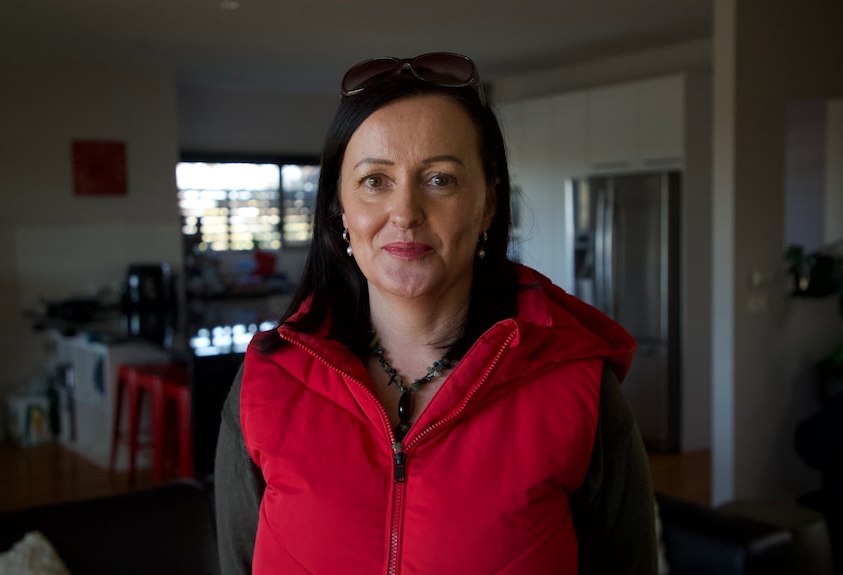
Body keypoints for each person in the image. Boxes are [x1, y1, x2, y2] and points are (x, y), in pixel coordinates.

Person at [214, 52, 658, 574]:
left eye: (440, 179)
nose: (405, 212)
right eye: (375, 180)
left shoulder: (580, 385)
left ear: (489, 203)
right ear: (339, 207)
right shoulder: (266, 381)